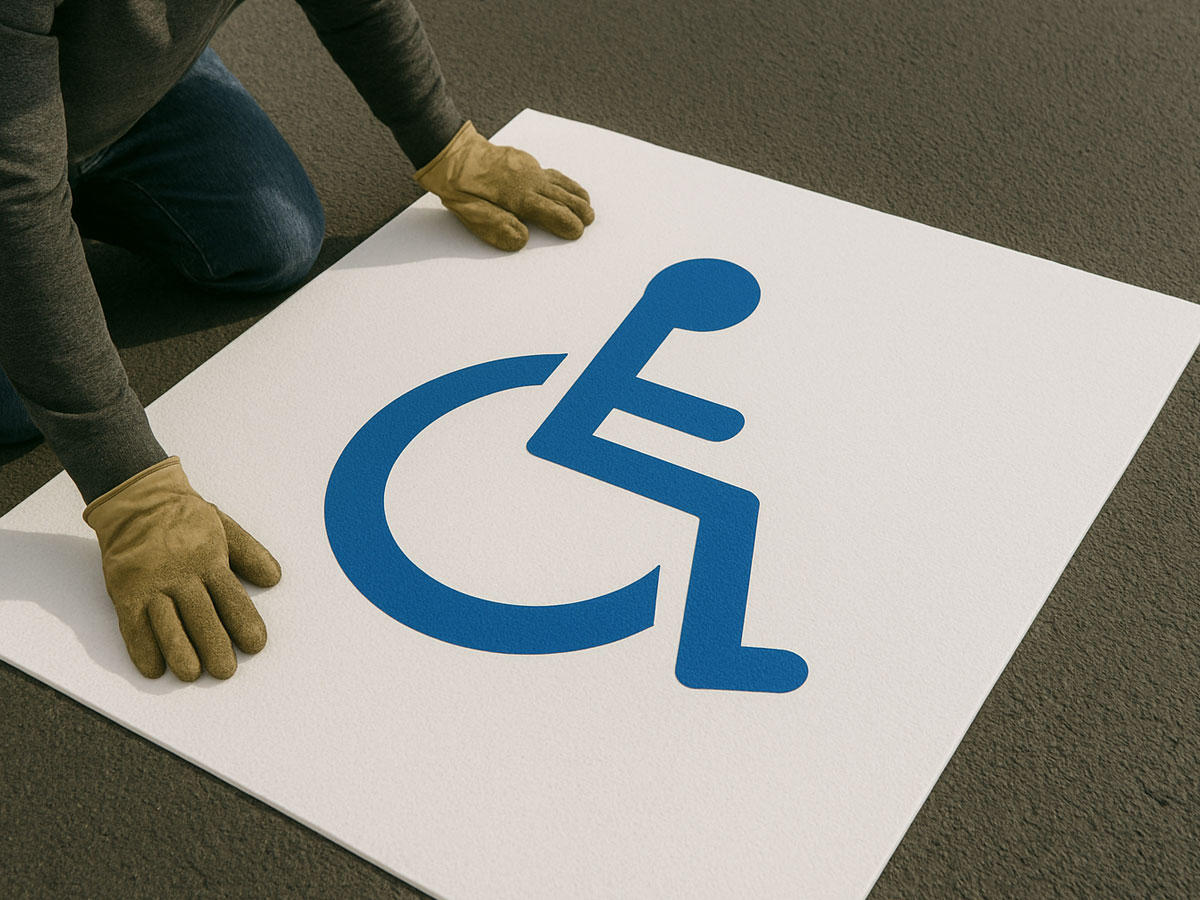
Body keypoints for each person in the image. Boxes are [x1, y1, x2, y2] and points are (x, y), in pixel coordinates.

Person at [0, 0, 595, 683]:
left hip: (115, 98)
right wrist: (130, 488)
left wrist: (447, 142)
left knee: (272, 239)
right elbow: (14, 192)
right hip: (14, 142)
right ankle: (53, 230)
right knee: (16, 409)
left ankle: (71, 191)